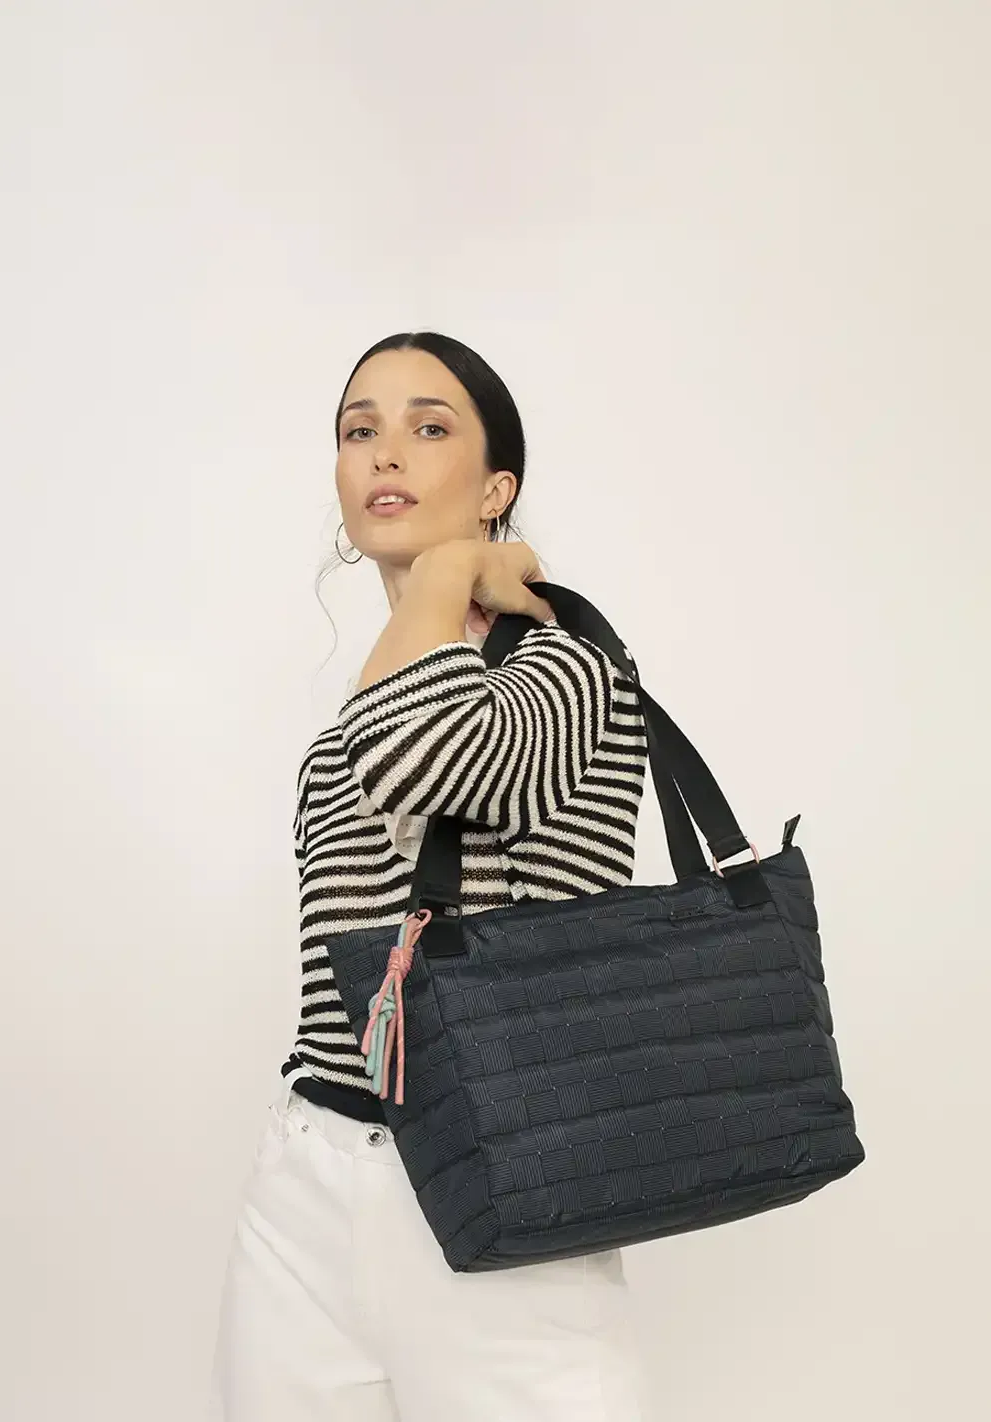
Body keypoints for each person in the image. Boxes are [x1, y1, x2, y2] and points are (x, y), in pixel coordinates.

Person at [209, 332, 650, 1421]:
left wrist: (451, 572)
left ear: (497, 488)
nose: (385, 452)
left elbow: (424, 760)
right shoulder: (355, 714)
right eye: (358, 429)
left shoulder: (569, 664)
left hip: (503, 1182)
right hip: (308, 1182)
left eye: (430, 426)